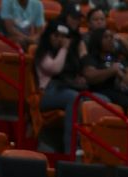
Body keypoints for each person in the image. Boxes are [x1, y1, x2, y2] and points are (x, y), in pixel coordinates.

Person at [34, 19, 89, 153]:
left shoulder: (65, 53)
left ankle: (91, 147)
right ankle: (71, 148)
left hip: (62, 89)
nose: (59, 39)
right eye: (56, 35)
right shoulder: (42, 51)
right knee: (74, 98)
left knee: (98, 100)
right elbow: (55, 68)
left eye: (62, 36)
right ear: (49, 35)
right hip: (45, 93)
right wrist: (64, 48)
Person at [82, 28, 128, 112]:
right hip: (99, 90)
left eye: (111, 37)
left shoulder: (117, 57)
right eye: (106, 37)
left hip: (118, 89)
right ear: (97, 39)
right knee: (123, 101)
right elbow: (90, 76)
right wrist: (112, 71)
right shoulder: (90, 58)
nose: (110, 39)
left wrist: (126, 78)